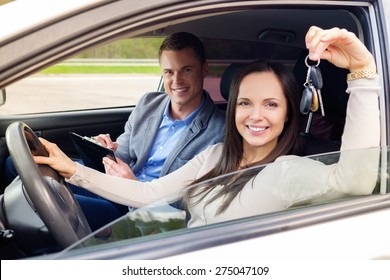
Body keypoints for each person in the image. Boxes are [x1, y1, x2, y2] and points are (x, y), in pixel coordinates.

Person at [34, 26, 380, 228]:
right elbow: (149, 194)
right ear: (233, 108)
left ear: (289, 113)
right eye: (245, 103)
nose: (255, 116)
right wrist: (71, 170)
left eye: (271, 104)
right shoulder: (217, 155)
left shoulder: (287, 172)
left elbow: (356, 181)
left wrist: (363, 73)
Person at [6, 32, 226, 231]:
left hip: (145, 212)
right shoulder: (149, 103)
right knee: (19, 163)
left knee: (38, 198)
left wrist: (135, 186)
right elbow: (124, 153)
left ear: (204, 69)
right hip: (112, 185)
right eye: (168, 72)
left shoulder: (220, 132)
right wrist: (106, 150)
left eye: (186, 70)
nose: (176, 81)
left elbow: (189, 206)